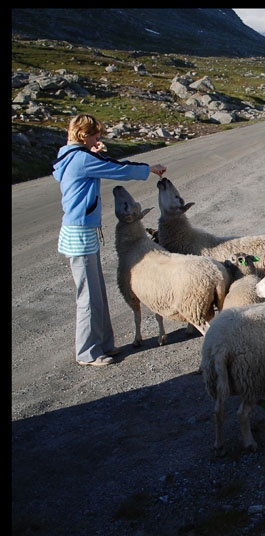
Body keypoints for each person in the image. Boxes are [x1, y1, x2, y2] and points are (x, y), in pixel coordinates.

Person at [52, 113, 167, 367]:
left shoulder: (70, 155)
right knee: (88, 296)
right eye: (95, 135)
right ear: (83, 135)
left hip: (82, 232)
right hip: (80, 233)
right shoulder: (81, 158)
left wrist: (96, 150)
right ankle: (87, 352)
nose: (98, 139)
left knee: (97, 293)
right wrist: (148, 169)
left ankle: (104, 344)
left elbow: (99, 162)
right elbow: (116, 169)